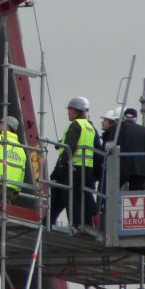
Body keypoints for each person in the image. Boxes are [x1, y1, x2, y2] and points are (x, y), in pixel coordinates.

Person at [49, 96, 98, 228]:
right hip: (86, 169)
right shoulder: (90, 127)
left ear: (76, 111)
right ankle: (84, 224)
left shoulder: (75, 125)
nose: (68, 113)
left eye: (69, 110)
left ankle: (75, 226)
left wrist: (59, 167)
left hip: (72, 168)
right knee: (77, 198)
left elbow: (69, 147)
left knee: (71, 198)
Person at [116, 108, 145, 191]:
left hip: (121, 167)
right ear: (136, 118)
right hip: (140, 168)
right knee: (135, 196)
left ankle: (109, 204)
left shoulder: (117, 128)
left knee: (113, 192)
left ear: (124, 117)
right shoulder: (144, 130)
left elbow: (112, 146)